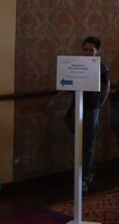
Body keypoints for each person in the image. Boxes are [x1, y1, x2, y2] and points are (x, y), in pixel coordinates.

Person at [46, 36, 110, 192]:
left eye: (91, 50)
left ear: (97, 51)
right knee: (80, 138)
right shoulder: (77, 65)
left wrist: (99, 106)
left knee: (88, 144)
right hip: (76, 106)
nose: (88, 53)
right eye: (86, 49)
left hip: (91, 108)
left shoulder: (102, 67)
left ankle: (85, 178)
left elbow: (106, 87)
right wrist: (53, 100)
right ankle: (89, 169)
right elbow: (68, 84)